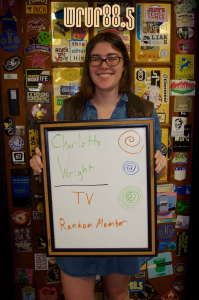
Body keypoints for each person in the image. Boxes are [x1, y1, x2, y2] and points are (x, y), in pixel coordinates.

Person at [30, 32, 167, 300]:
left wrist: (159, 164)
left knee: (117, 294)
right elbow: (56, 164)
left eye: (112, 58)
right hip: (76, 228)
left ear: (124, 63)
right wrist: (41, 162)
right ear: (88, 66)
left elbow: (152, 173)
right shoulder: (70, 110)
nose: (104, 65)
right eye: (96, 59)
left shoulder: (143, 111)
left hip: (122, 227)